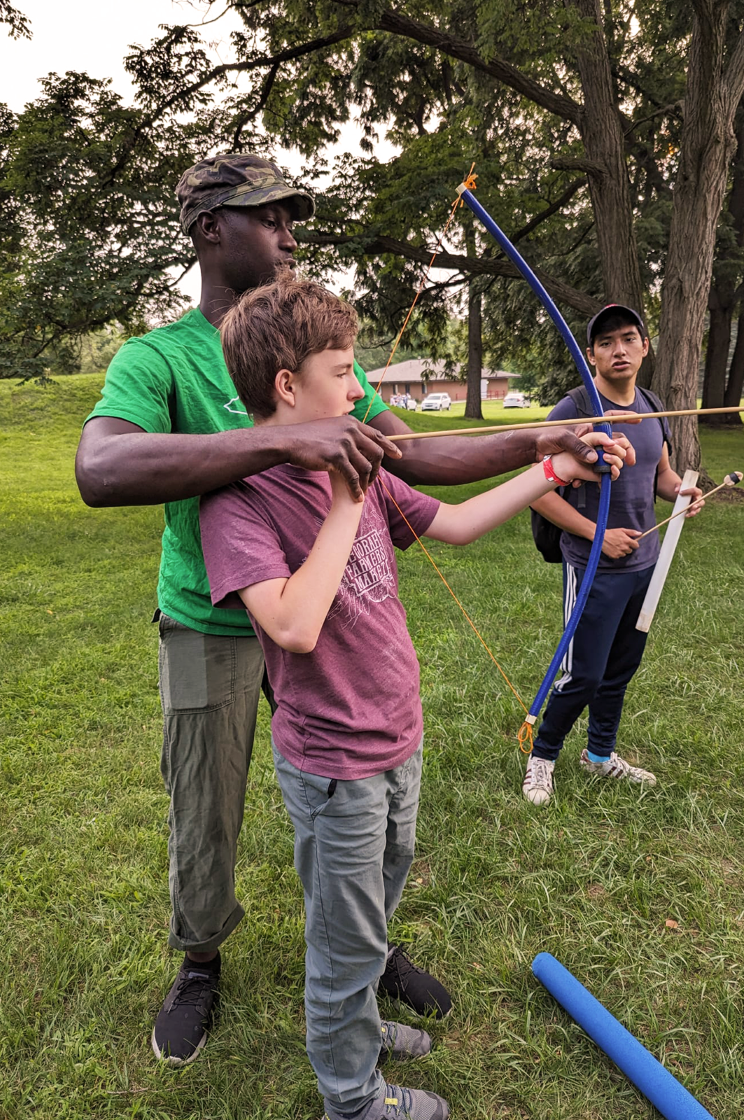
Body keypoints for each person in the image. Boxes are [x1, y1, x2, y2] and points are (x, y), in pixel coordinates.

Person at [73, 152, 612, 1066]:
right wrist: (281, 443)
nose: (288, 236)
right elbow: (101, 468)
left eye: (292, 218)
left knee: (348, 796)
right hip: (217, 616)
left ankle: (364, 947)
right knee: (205, 805)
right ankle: (201, 962)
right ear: (211, 230)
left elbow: (411, 464)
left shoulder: (320, 358)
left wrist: (539, 441)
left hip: (323, 617)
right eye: (269, 217)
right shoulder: (155, 356)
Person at [198, 274, 629, 1120]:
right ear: (288, 387)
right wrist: (345, 500)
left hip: (398, 739)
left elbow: (459, 523)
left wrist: (553, 464)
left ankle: (358, 1020)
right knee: (343, 940)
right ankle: (351, 1099)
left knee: (377, 907)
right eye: (343, 369)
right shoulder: (238, 499)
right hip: (335, 765)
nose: (359, 388)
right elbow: (291, 626)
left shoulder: (360, 464)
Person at [522, 304, 705, 806]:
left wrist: (681, 493)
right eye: (605, 342)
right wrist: (596, 535)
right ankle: (542, 757)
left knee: (620, 668)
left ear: (645, 346)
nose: (617, 349)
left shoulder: (651, 406)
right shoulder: (574, 410)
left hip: (644, 567)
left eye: (628, 338)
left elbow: (660, 476)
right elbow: (534, 490)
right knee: (583, 673)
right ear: (591, 354)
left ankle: (599, 755)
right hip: (592, 565)